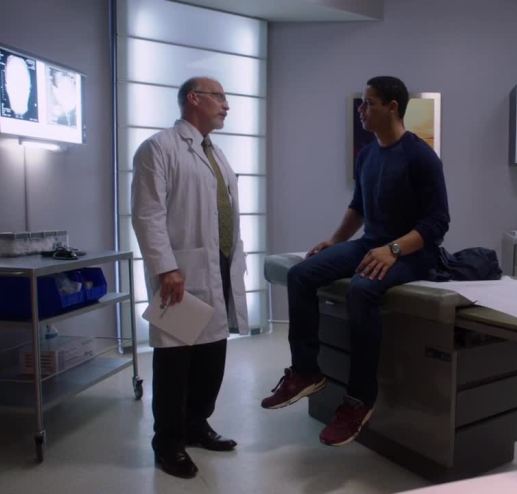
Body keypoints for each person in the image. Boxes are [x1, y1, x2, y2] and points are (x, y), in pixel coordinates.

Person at [261, 76, 450, 446]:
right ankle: (306, 371)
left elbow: (438, 222)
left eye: (369, 103)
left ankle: (360, 400)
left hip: (415, 254)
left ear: (392, 107)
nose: (361, 110)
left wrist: (393, 250)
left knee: (361, 291)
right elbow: (358, 207)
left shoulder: (421, 157)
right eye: (362, 103)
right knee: (301, 275)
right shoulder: (367, 155)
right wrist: (334, 241)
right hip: (370, 243)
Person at [131, 76, 249, 479]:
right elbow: (147, 213)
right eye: (220, 97)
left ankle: (196, 425)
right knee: (175, 361)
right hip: (180, 272)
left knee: (211, 356)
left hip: (219, 266)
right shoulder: (159, 148)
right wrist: (166, 267)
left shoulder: (216, 154)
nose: (226, 105)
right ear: (194, 99)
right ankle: (167, 442)